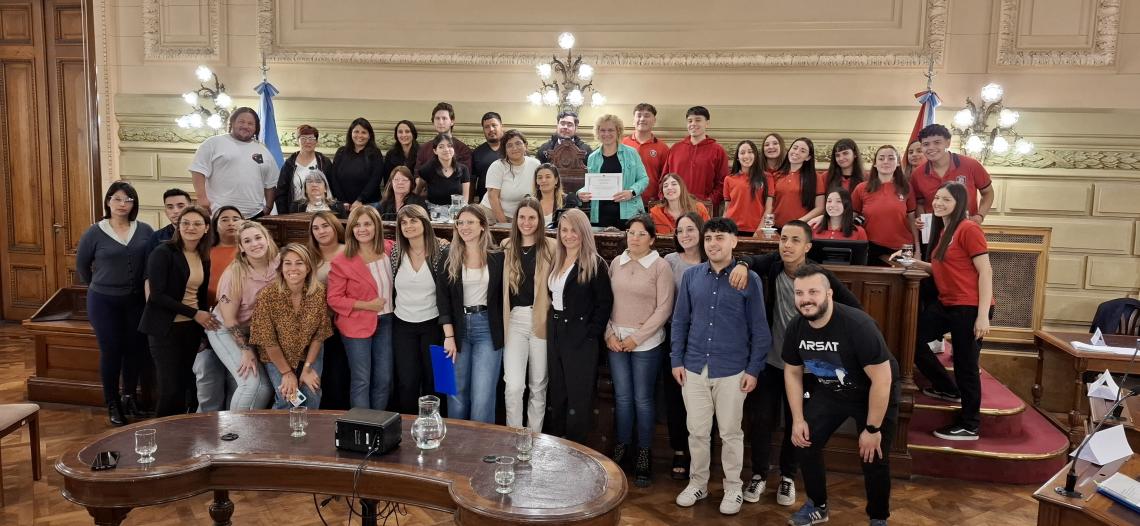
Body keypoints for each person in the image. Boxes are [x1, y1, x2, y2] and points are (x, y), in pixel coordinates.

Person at [728, 220, 863, 508]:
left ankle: (788, 475)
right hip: (772, 361)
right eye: (783, 239)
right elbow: (751, 260)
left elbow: (854, 308)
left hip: (810, 368)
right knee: (761, 420)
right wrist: (742, 264)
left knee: (797, 422)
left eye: (795, 240)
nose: (787, 245)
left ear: (808, 247)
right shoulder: (774, 265)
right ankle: (759, 474)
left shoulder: (820, 277)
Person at [783, 264, 900, 526]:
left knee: (873, 456)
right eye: (799, 293)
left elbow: (882, 380)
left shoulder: (858, 325)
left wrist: (872, 428)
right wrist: (798, 419)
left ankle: (878, 517)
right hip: (832, 391)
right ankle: (818, 506)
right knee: (804, 441)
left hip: (872, 393)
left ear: (829, 294)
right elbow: (792, 372)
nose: (805, 299)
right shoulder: (796, 327)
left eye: (813, 292)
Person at [671, 217, 770, 516]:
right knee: (697, 431)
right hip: (693, 367)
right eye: (709, 238)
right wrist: (676, 359)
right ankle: (698, 483)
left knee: (730, 433)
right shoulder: (692, 276)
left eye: (720, 237)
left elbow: (760, 329)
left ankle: (733, 487)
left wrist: (753, 369)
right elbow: (680, 321)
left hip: (733, 369)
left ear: (734, 241)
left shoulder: (749, 279)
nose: (713, 243)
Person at [899, 182, 994, 441]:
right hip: (947, 304)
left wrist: (982, 316)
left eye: (946, 199)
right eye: (937, 198)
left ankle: (970, 425)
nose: (939, 203)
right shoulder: (945, 231)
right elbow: (942, 269)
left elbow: (985, 271)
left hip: (970, 307)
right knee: (911, 339)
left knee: (966, 365)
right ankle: (947, 388)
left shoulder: (969, 228)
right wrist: (912, 262)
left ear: (959, 203)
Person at [77, 181, 155, 426]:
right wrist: (102, 284)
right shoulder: (94, 232)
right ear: (108, 201)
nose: (123, 204)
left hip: (136, 301)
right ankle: (112, 402)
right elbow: (82, 267)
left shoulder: (144, 230)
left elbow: (151, 264)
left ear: (134, 204)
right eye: (117, 199)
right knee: (111, 351)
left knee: (134, 349)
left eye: (128, 200)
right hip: (103, 302)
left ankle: (129, 397)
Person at [606, 214, 674, 488]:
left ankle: (644, 453)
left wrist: (637, 337)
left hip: (646, 341)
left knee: (642, 399)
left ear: (652, 239)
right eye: (631, 233)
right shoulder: (616, 262)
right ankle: (622, 447)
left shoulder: (660, 266)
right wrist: (609, 333)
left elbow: (664, 308)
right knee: (622, 398)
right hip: (616, 340)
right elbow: (606, 301)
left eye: (641, 234)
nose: (634, 238)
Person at [139, 205, 219, 417]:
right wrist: (195, 314)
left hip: (190, 329)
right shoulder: (162, 252)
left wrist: (202, 329)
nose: (190, 227)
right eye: (186, 223)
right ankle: (161, 433)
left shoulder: (203, 256)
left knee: (184, 385)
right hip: (165, 328)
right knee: (170, 388)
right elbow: (157, 296)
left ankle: (179, 432)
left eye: (197, 224)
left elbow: (200, 296)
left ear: (206, 228)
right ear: (178, 226)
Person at [547, 208, 613, 443]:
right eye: (564, 230)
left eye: (573, 230)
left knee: (579, 396)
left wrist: (590, 334)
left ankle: (575, 448)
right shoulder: (557, 259)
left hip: (581, 337)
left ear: (584, 231)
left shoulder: (595, 264)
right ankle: (556, 443)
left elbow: (604, 304)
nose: (568, 235)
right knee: (558, 392)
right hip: (555, 332)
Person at [437, 205, 505, 423]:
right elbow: (442, 299)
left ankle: (480, 443)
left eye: (470, 222)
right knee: (455, 392)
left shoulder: (498, 257)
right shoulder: (448, 255)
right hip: (456, 328)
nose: (464, 227)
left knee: (483, 396)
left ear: (483, 226)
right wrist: (448, 336)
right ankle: (456, 440)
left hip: (487, 327)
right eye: (460, 222)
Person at [200, 221, 277, 411]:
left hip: (257, 331)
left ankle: (244, 427)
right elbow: (229, 320)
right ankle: (232, 428)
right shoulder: (234, 274)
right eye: (247, 241)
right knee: (252, 385)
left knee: (266, 388)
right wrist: (245, 349)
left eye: (258, 238)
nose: (255, 244)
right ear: (241, 247)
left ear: (267, 239)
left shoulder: (280, 263)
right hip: (225, 329)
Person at [327, 206, 395, 410]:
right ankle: (361, 425)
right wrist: (367, 305)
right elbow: (334, 299)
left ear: (376, 226)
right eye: (357, 225)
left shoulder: (389, 249)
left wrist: (441, 242)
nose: (362, 229)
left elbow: (417, 243)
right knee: (361, 380)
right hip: (356, 326)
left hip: (387, 322)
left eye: (367, 224)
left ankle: (378, 423)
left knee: (384, 379)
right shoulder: (342, 261)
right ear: (351, 229)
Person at [249, 243, 333, 409]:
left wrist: (307, 368)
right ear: (281, 268)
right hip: (277, 354)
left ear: (308, 267)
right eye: (288, 263)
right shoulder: (267, 296)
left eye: (299, 263)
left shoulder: (319, 292)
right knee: (288, 398)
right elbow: (268, 340)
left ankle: (308, 427)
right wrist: (287, 373)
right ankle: (278, 427)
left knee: (312, 394)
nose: (293, 268)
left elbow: (319, 335)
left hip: (309, 352)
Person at [501, 198, 557, 432]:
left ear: (540, 220)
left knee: (538, 385)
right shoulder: (506, 246)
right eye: (522, 217)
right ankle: (513, 436)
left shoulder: (552, 247)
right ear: (516, 220)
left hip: (541, 318)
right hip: (515, 319)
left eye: (532, 217)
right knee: (514, 385)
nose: (526, 222)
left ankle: (534, 438)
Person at [390, 203, 447, 415]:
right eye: (403, 222)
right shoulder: (396, 252)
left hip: (436, 325)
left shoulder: (441, 250)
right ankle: (407, 427)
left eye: (413, 220)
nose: (408, 226)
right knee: (407, 382)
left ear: (425, 223)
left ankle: (438, 425)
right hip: (403, 326)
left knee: (439, 381)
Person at [662, 212, 705, 480]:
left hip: (703, 337)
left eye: (690, 229)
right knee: (675, 397)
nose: (685, 235)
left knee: (702, 399)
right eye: (680, 231)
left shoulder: (710, 260)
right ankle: (679, 449)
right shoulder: (670, 261)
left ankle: (700, 453)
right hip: (674, 334)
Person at [191, 206, 243, 413]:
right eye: (225, 219)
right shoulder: (204, 253)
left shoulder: (249, 251)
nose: (231, 223)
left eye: (236, 218)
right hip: (207, 326)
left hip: (239, 328)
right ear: (214, 225)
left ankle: (233, 429)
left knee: (238, 385)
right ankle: (205, 430)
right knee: (208, 384)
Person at [189, 107, 278, 218]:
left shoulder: (264, 151)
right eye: (241, 122)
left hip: (255, 215)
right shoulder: (213, 143)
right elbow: (198, 171)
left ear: (256, 128)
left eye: (250, 123)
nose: (245, 126)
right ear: (232, 122)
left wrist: (268, 207)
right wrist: (202, 199)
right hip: (219, 214)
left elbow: (270, 183)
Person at [307, 211, 350, 409]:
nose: (321, 231)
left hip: (345, 322)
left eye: (325, 226)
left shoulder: (349, 250)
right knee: (321, 376)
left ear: (335, 227)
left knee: (340, 374)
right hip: (316, 326)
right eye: (315, 228)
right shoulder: (309, 256)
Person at [912, 124, 994, 223]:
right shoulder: (917, 174)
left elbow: (988, 193)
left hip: (966, 225)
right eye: (926, 144)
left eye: (937, 142)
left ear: (948, 143)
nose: (931, 147)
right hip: (933, 229)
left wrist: (980, 216)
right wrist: (922, 220)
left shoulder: (971, 165)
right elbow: (920, 203)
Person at [579, 114, 648, 229]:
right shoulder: (592, 157)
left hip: (628, 214)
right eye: (602, 130)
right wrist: (581, 193)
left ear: (618, 132)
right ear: (598, 132)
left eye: (611, 130)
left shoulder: (631, 153)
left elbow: (644, 179)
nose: (606, 134)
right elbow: (592, 185)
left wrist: (631, 192)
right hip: (600, 215)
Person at [853, 145, 920, 263]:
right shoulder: (861, 188)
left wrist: (918, 250)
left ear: (898, 163)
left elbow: (912, 220)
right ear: (875, 164)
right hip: (870, 247)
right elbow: (852, 220)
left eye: (891, 158)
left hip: (902, 248)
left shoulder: (906, 188)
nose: (886, 161)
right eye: (881, 158)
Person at [661, 106, 729, 210]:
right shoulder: (675, 149)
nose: (693, 124)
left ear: (707, 123)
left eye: (698, 120)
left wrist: (708, 201)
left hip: (704, 208)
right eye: (690, 121)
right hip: (675, 206)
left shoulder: (718, 150)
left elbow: (722, 182)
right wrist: (667, 200)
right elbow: (664, 178)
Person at [480, 129, 539, 223]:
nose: (515, 148)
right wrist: (504, 225)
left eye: (518, 143)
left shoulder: (535, 164)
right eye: (509, 145)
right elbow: (492, 197)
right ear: (505, 150)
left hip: (520, 216)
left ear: (525, 145)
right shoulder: (497, 166)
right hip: (491, 214)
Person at [328, 117, 385, 211]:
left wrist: (360, 200)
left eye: (364, 132)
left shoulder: (375, 153)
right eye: (356, 131)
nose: (360, 135)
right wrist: (343, 201)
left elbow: (375, 179)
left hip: (368, 205)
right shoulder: (341, 152)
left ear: (369, 135)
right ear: (351, 133)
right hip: (344, 206)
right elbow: (334, 178)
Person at [274, 124, 333, 214]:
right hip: (295, 212)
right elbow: (281, 193)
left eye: (311, 138)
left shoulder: (324, 162)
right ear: (298, 141)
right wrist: (284, 215)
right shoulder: (289, 164)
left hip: (321, 212)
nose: (307, 141)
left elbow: (332, 188)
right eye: (303, 138)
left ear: (316, 141)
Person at [768, 137, 825, 228]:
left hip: (800, 228)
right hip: (775, 228)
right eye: (795, 148)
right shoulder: (776, 175)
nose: (796, 152)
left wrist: (798, 222)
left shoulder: (815, 177)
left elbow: (820, 207)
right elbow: (769, 205)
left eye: (802, 151)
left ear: (808, 157)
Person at [622, 103, 670, 206]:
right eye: (639, 115)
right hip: (624, 201)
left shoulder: (663, 148)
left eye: (647, 116)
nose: (642, 119)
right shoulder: (621, 144)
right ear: (633, 120)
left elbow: (665, 178)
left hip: (652, 203)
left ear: (654, 120)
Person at [723, 140, 768, 236]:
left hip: (755, 229)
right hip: (732, 228)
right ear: (738, 158)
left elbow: (768, 208)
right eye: (742, 153)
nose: (746, 156)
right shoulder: (729, 179)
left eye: (750, 152)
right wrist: (723, 229)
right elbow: (727, 208)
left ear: (756, 155)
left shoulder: (766, 177)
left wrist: (759, 230)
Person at [415, 133, 472, 208]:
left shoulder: (463, 169)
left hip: (456, 211)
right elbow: (417, 191)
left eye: (449, 146)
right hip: (433, 212)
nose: (446, 149)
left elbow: (465, 199)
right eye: (441, 147)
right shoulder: (427, 169)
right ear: (435, 151)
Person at [414, 102, 474, 172]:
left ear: (452, 122)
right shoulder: (424, 148)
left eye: (444, 118)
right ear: (433, 122)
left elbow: (465, 175)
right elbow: (417, 174)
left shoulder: (463, 149)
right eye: (437, 118)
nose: (440, 122)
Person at [533, 163, 582, 228]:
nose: (543, 180)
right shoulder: (531, 202)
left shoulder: (568, 201)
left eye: (548, 177)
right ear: (536, 181)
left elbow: (577, 226)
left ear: (556, 180)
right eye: (540, 177)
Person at [147, 188, 192, 255]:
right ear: (165, 211)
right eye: (170, 207)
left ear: (190, 208)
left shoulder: (201, 234)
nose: (175, 211)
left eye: (180, 206)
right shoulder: (157, 237)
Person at [471, 112, 504, 202]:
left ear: (501, 126)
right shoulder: (477, 152)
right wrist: (469, 203)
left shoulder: (512, 148)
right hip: (485, 203)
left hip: (510, 201)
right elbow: (472, 181)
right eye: (487, 127)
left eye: (494, 125)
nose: (491, 129)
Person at [381, 120, 420, 192]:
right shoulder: (390, 154)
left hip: (416, 193)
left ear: (413, 134)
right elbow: (388, 180)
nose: (404, 135)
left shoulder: (421, 152)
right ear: (396, 135)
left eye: (407, 131)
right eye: (400, 132)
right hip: (395, 193)